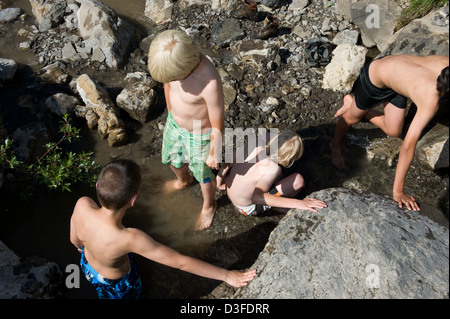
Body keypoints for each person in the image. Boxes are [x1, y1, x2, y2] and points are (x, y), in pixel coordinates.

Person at [70, 159, 256, 299]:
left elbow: (75, 240)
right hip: (117, 283)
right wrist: (226, 275)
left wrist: (88, 246)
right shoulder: (130, 238)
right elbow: (180, 262)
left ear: (97, 186)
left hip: (87, 267)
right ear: (133, 200)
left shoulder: (82, 204)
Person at [331, 55, 449, 211]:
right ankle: (335, 143)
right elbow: (408, 146)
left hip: (398, 79)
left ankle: (357, 108)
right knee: (351, 118)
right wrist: (398, 191)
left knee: (394, 131)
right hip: (375, 77)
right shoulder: (430, 98)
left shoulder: (446, 64)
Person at [148, 30, 225, 230]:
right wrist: (170, 112)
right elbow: (167, 84)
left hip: (199, 134)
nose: (173, 80)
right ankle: (183, 180)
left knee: (204, 174)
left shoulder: (208, 82)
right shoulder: (174, 69)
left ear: (187, 66)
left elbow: (218, 123)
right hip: (175, 123)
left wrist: (213, 152)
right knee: (170, 159)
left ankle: (209, 204)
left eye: (175, 77)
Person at [216, 131, 327, 215]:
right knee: (298, 180)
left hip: (229, 189)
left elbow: (229, 161)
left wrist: (219, 183)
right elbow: (256, 196)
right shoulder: (272, 168)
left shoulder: (256, 143)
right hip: (246, 208)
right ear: (290, 158)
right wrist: (299, 203)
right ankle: (277, 207)